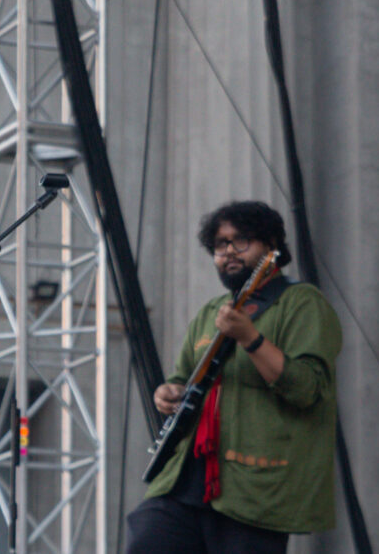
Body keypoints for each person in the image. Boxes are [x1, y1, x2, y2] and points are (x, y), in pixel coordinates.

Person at [126, 201, 341, 554]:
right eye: (220, 244)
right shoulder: (210, 312)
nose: (229, 252)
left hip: (255, 489)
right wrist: (167, 392)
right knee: (147, 539)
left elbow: (307, 388)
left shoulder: (302, 302)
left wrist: (250, 339)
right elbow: (182, 378)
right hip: (185, 480)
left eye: (241, 241)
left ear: (271, 246)